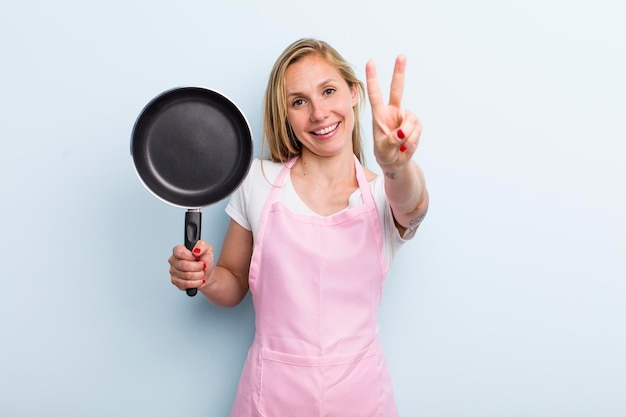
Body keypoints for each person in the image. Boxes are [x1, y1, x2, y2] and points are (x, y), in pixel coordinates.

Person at [168, 38, 429, 417]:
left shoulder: (382, 191)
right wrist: (205, 276)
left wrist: (397, 166)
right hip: (270, 395)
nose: (319, 113)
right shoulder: (256, 181)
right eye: (299, 101)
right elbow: (233, 283)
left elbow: (415, 205)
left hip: (360, 397)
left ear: (353, 94)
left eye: (328, 91)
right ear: (285, 115)